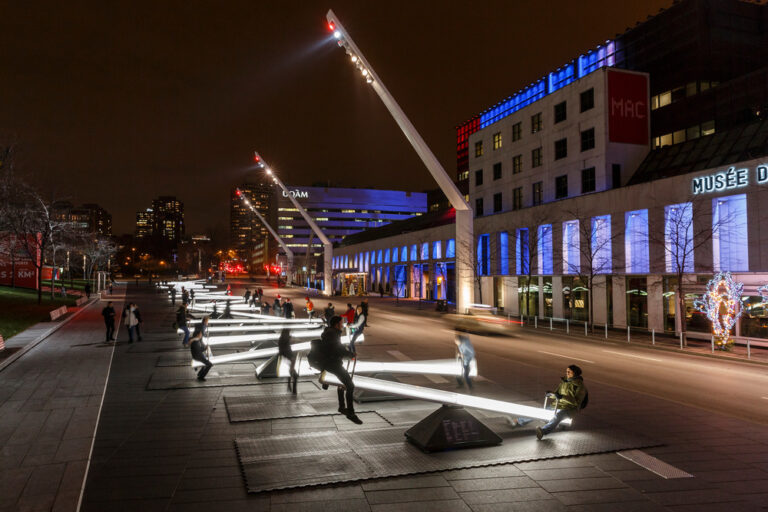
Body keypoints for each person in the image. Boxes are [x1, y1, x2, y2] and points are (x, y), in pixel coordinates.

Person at [308, 316, 362, 424]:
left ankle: (342, 407)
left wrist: (347, 353)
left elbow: (337, 347)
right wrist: (350, 354)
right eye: (341, 323)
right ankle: (350, 413)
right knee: (350, 386)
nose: (343, 325)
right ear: (337, 324)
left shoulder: (330, 332)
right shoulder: (333, 334)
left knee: (341, 383)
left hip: (330, 363)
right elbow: (338, 349)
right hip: (332, 364)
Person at [536, 365, 588, 440]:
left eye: (569, 372)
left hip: (569, 409)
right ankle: (519, 421)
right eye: (566, 371)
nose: (567, 373)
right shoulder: (564, 382)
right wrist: (550, 394)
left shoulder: (580, 386)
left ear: (575, 373)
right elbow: (557, 394)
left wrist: (562, 397)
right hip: (558, 405)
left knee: (558, 416)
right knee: (540, 411)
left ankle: (543, 431)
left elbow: (576, 402)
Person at [190, 316, 213, 381]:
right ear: (205, 321)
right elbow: (199, 337)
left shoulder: (199, 326)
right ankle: (201, 376)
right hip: (197, 353)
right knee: (209, 364)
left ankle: (200, 374)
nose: (208, 323)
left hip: (196, 351)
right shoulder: (202, 327)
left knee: (205, 360)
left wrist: (204, 347)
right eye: (207, 321)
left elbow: (199, 339)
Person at [278, 328, 298, 394]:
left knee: (292, 372)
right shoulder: (283, 341)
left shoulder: (282, 340)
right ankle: (292, 387)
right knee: (293, 373)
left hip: (287, 356)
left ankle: (290, 385)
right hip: (287, 357)